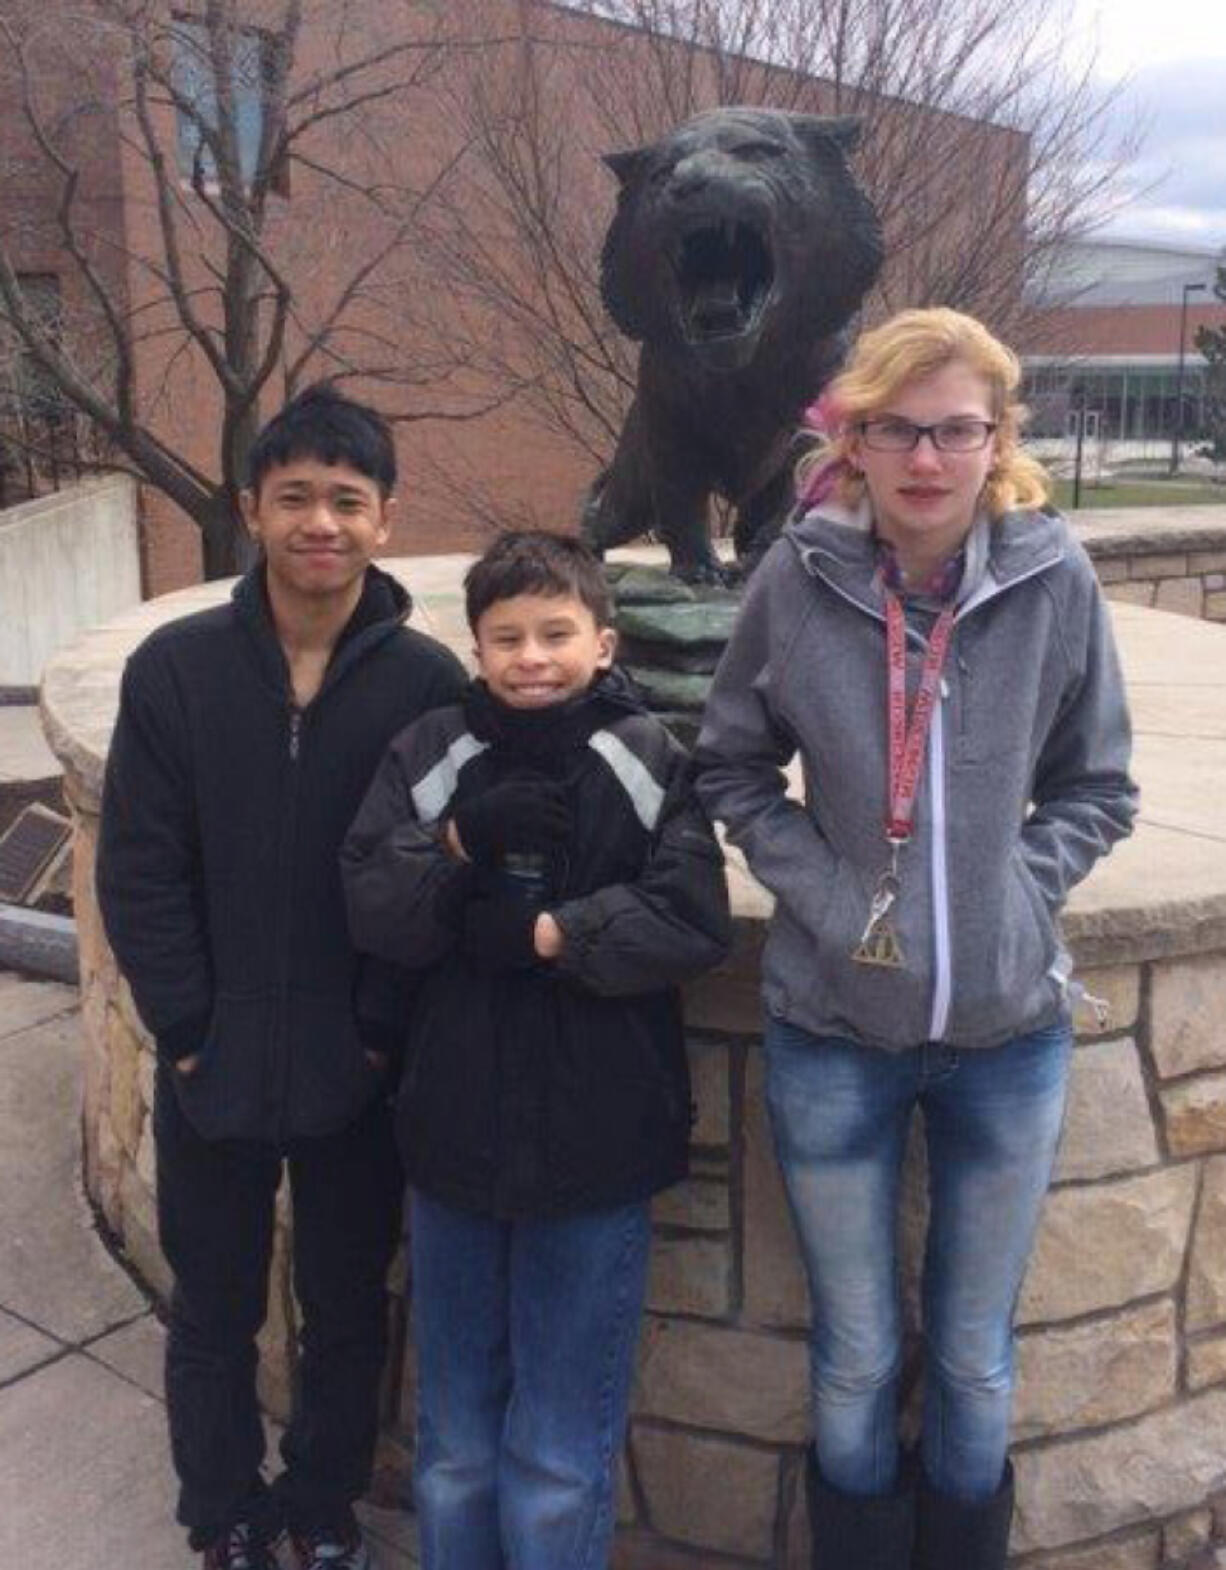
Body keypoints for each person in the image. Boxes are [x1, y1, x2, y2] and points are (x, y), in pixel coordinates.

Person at [694, 308, 1138, 1570]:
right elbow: (727, 771)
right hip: (833, 1036)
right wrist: (833, 899)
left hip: (1006, 1043)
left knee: (967, 1354)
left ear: (996, 441)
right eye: (898, 429)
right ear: (857, 439)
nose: (927, 459)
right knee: (854, 1352)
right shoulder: (799, 575)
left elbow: (1098, 787)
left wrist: (1008, 890)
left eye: (955, 429)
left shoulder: (1053, 581)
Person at [96, 384, 467, 1570]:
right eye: (295, 497)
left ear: (385, 519)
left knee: (348, 1310)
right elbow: (140, 872)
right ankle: (222, 1513)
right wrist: (189, 1030)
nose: (321, 522)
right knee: (211, 1311)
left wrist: (377, 1035)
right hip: (215, 1061)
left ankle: (319, 1506)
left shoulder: (426, 686)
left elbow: (432, 886)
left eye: (347, 501)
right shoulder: (176, 671)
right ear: (254, 508)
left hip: (355, 1065)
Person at [340, 529, 732, 1570]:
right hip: (450, 1134)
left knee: (560, 1448)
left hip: (594, 1140)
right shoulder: (429, 753)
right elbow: (374, 896)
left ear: (601, 643)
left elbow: (692, 915)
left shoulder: (646, 755)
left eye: (554, 633)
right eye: (505, 637)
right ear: (475, 649)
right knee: (456, 1441)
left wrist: (552, 933)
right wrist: (460, 845)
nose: (530, 657)